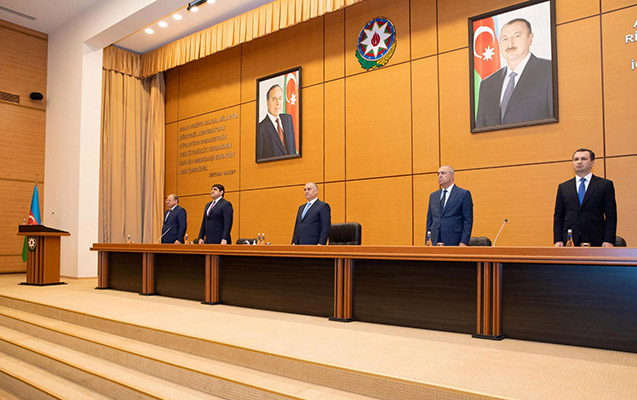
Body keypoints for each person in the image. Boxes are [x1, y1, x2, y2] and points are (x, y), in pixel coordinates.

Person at [475, 18, 553, 128]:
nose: (510, 44)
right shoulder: (487, 84)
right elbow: (481, 130)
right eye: (505, 39)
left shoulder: (549, 70)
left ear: (530, 39)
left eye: (517, 36)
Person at [553, 149, 617, 247]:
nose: (579, 162)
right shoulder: (564, 187)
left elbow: (611, 215)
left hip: (597, 239)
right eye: (576, 159)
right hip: (570, 241)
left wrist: (609, 240)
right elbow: (559, 215)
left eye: (583, 159)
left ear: (592, 163)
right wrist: (558, 240)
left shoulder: (604, 185)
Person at [426, 166, 473, 246]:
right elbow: (429, 220)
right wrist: (427, 240)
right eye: (438, 174)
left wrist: (464, 242)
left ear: (452, 176)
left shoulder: (463, 194)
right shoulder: (433, 196)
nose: (440, 176)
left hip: (454, 239)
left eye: (443, 173)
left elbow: (468, 220)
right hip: (434, 240)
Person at [257, 84, 297, 160]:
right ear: (267, 102)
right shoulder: (261, 128)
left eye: (280, 98)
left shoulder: (288, 119)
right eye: (274, 99)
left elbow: (293, 151)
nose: (278, 103)